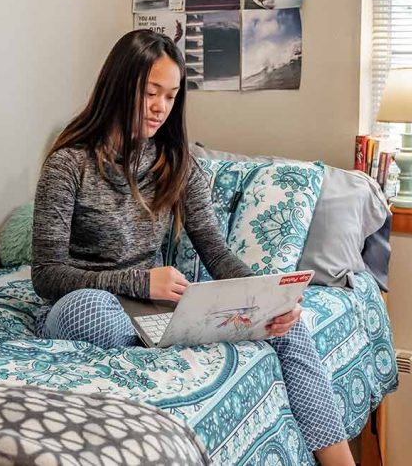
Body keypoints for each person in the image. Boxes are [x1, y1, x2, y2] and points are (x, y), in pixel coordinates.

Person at [31, 29, 354, 466]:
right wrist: (139, 282)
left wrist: (271, 297)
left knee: (289, 326)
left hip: (153, 312)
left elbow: (215, 253)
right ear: (119, 85)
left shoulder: (176, 162)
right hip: (85, 301)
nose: (160, 107)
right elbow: (47, 275)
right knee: (96, 311)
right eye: (150, 92)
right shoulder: (68, 165)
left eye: (170, 95)